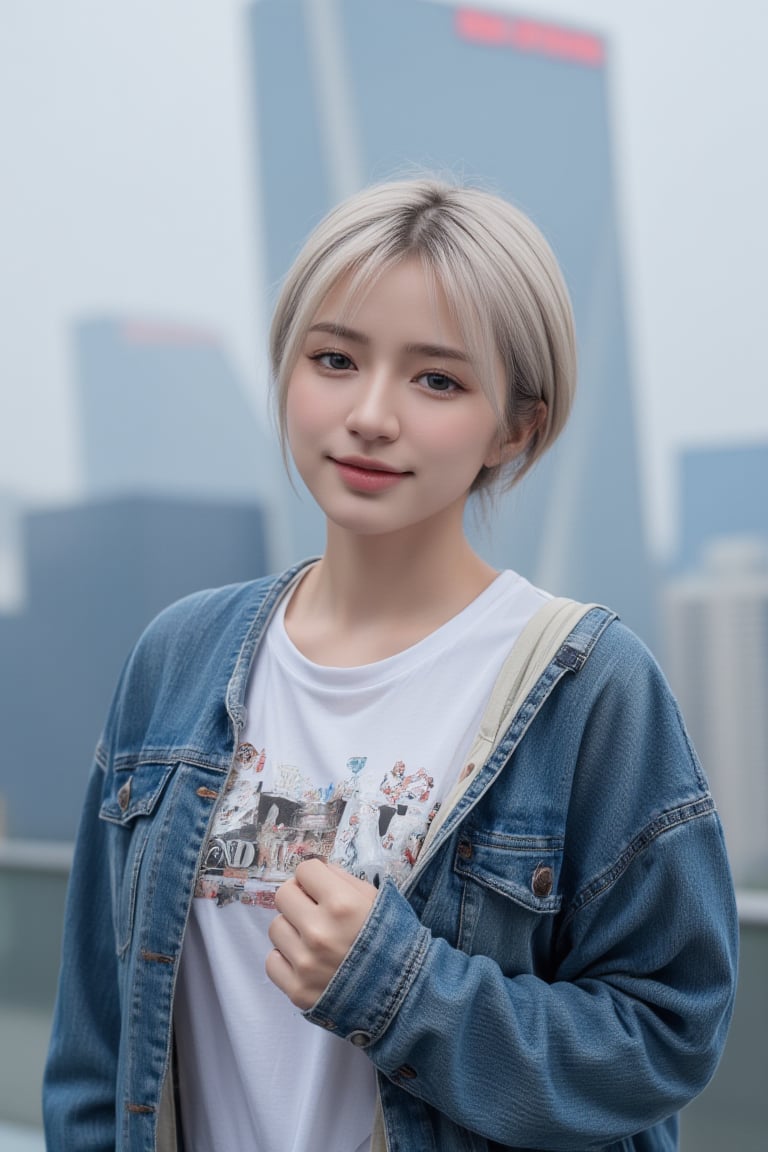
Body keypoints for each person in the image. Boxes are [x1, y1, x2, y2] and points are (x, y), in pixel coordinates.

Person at [43, 178, 738, 1152]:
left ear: (517, 428)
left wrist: (399, 986)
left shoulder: (590, 688)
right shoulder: (177, 660)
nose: (371, 415)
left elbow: (666, 1037)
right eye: (334, 359)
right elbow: (96, 1047)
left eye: (437, 380)